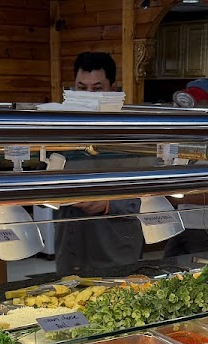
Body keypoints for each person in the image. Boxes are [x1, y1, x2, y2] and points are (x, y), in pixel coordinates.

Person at [54, 52, 143, 275]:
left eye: (97, 88)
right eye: (82, 88)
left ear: (113, 88)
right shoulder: (59, 129)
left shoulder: (133, 132)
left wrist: (107, 203)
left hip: (115, 251)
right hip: (70, 249)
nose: (88, 96)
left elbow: (155, 195)